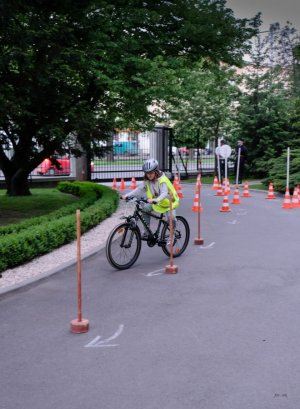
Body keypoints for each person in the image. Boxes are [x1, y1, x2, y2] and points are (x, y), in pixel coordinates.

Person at [121, 158, 179, 239]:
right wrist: (127, 195)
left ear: (156, 171)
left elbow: (164, 193)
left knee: (171, 218)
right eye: (147, 173)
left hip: (169, 202)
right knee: (144, 209)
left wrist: (156, 200)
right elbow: (139, 189)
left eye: (151, 172)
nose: (149, 175)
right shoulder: (147, 181)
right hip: (157, 202)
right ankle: (147, 233)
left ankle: (173, 235)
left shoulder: (162, 180)